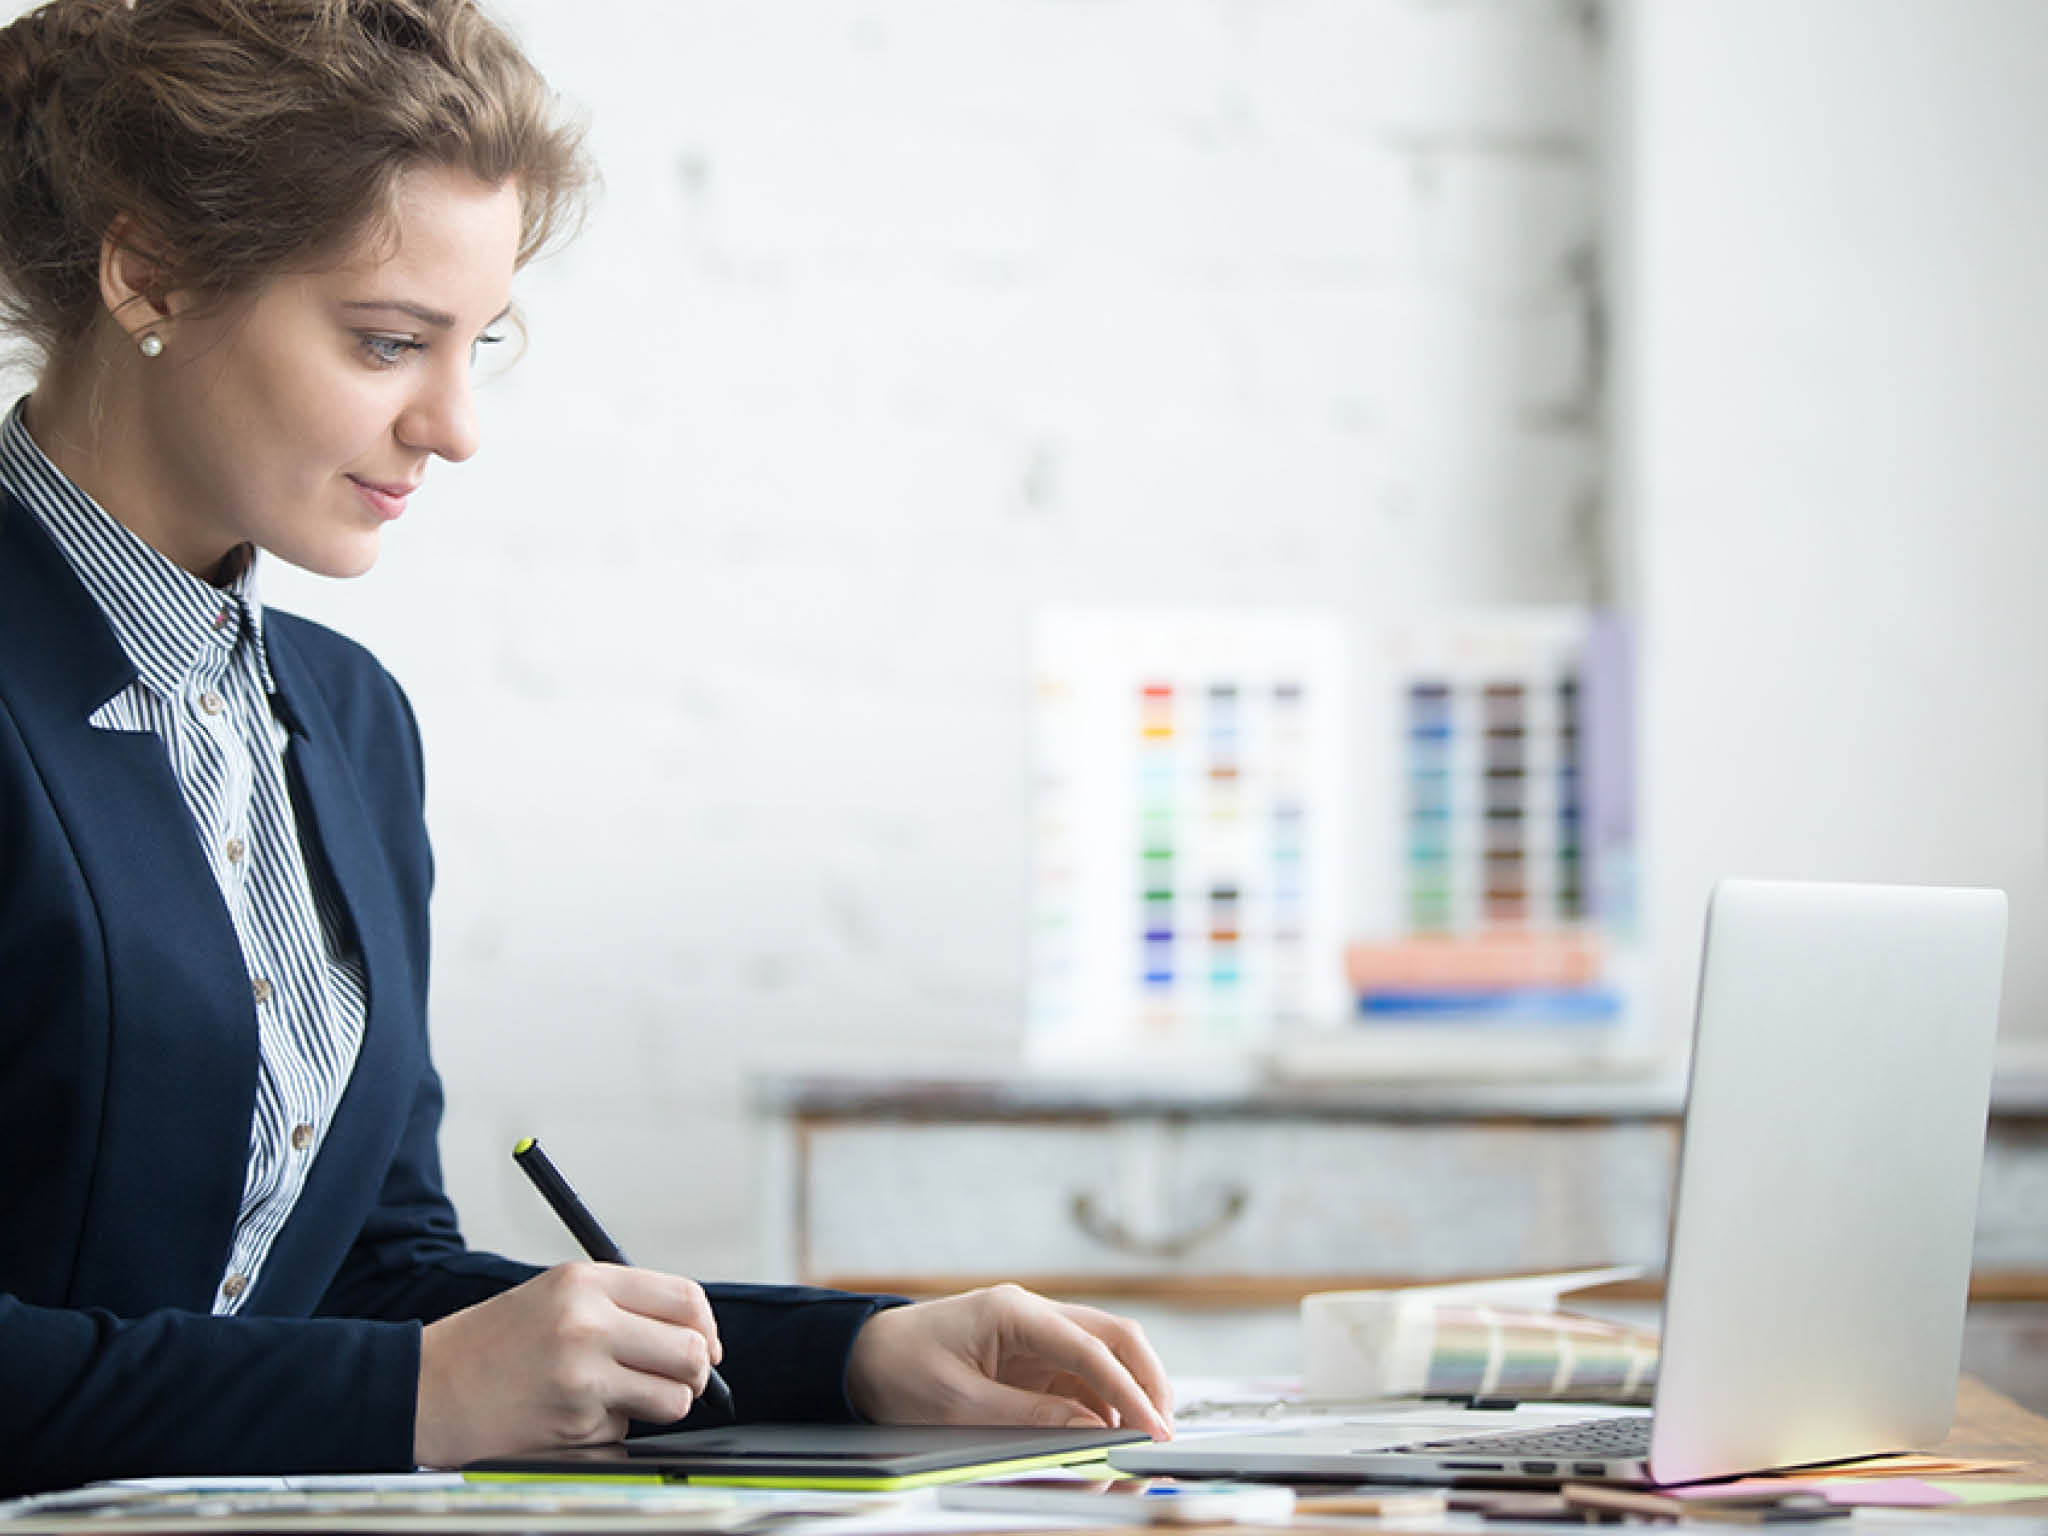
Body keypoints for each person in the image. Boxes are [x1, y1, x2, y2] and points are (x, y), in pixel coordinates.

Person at [0, 0, 1172, 1497]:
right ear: (146, 271)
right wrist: (420, 1396)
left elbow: (369, 1272)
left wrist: (856, 1357)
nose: (456, 425)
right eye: (384, 342)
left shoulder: (345, 724)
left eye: (475, 343)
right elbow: (396, 1372)